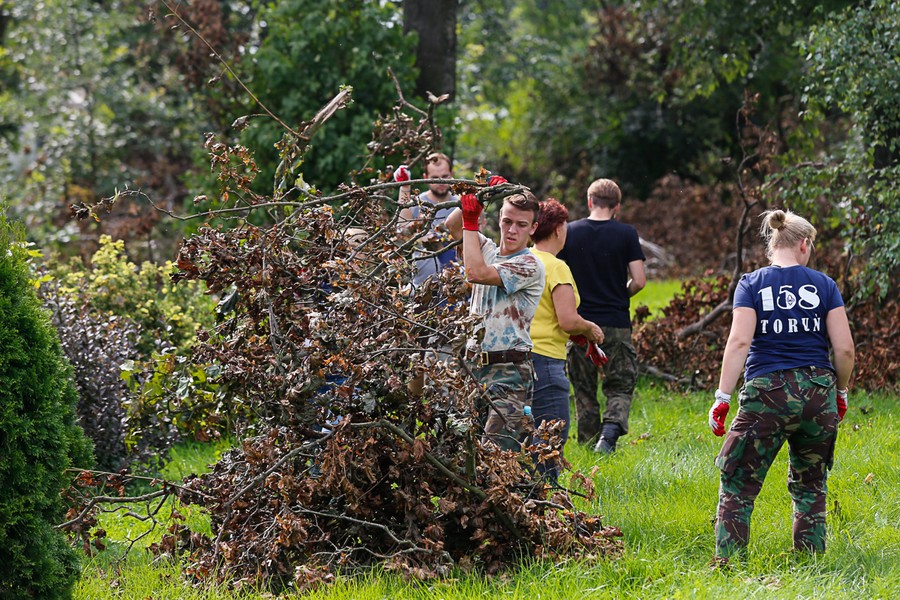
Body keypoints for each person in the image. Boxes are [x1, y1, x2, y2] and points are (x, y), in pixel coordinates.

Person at [708, 209, 855, 562]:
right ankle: (810, 564)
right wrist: (841, 392)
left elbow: (739, 343)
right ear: (804, 245)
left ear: (773, 243)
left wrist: (723, 397)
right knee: (811, 486)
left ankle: (728, 564)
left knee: (738, 483)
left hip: (767, 394)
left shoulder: (751, 283)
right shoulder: (825, 285)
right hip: (818, 393)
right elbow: (845, 348)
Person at [445, 179, 545, 451]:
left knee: (498, 456)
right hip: (474, 367)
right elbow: (452, 226)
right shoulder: (488, 250)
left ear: (533, 228)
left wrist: (471, 220)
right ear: (499, 219)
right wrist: (483, 190)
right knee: (467, 453)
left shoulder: (529, 264)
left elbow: (475, 273)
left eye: (521, 225)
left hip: (509, 372)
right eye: (507, 221)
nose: (512, 230)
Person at [558, 178, 645, 453]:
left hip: (580, 324)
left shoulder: (570, 232)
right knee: (620, 384)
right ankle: (608, 436)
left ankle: (587, 444)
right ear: (617, 206)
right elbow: (640, 281)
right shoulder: (627, 234)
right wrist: (621, 296)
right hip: (616, 322)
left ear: (589, 202)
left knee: (583, 389)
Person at [529, 199, 605, 480]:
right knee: (549, 442)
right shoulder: (556, 267)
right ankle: (543, 506)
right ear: (559, 229)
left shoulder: (522, 259)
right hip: (547, 362)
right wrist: (590, 330)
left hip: (517, 358)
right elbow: (567, 319)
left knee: (524, 437)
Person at [395, 152, 459, 288]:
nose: (441, 182)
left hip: (454, 287)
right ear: (425, 178)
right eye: (435, 178)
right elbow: (402, 229)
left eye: (445, 176)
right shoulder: (419, 203)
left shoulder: (459, 205)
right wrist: (404, 187)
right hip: (421, 287)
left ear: (452, 173)